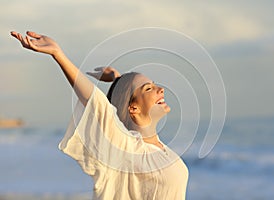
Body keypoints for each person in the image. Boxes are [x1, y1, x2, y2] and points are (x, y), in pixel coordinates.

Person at [11, 31, 189, 200]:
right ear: (133, 108)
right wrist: (59, 55)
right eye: (149, 88)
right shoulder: (127, 149)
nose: (161, 89)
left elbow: (120, 103)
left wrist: (119, 80)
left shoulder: (158, 148)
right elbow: (97, 105)